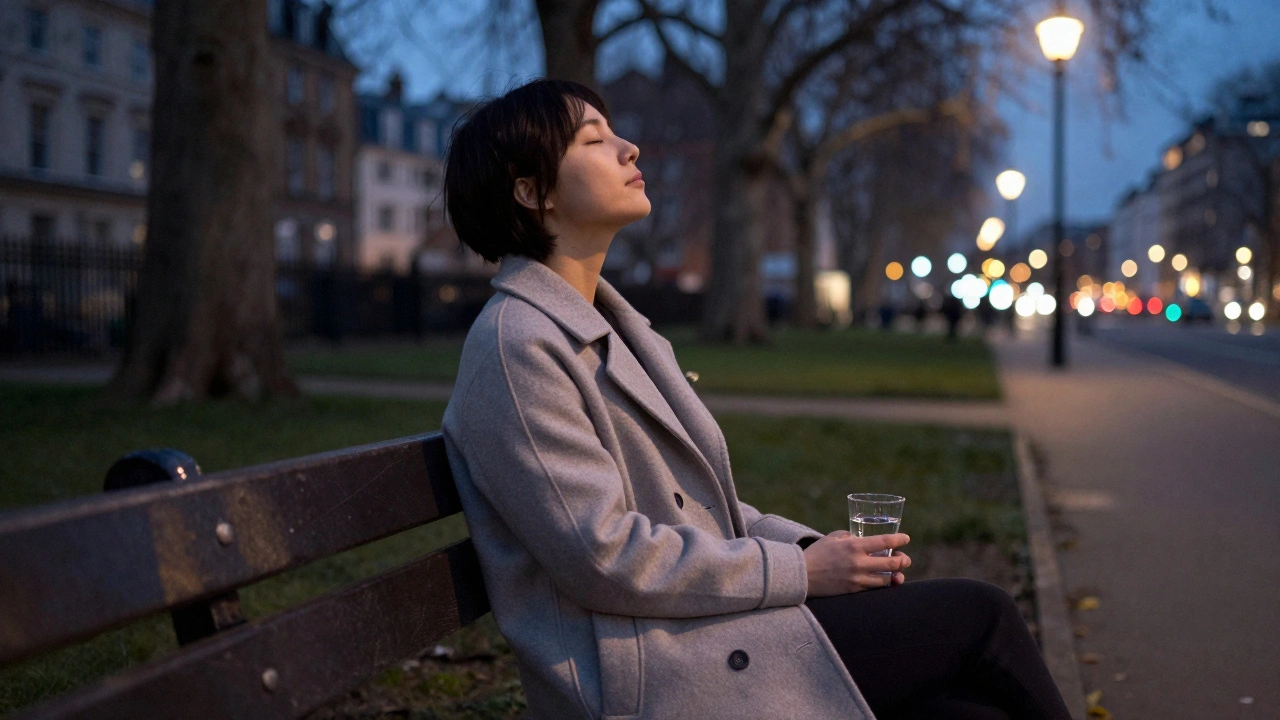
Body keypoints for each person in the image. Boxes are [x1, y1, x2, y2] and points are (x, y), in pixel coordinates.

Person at [440, 78, 1072, 720]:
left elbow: (702, 510)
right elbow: (604, 557)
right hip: (645, 674)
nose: (629, 148)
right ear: (532, 192)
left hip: (692, 632)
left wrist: (812, 552)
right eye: (594, 140)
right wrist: (803, 574)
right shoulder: (516, 344)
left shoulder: (609, 326)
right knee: (983, 616)